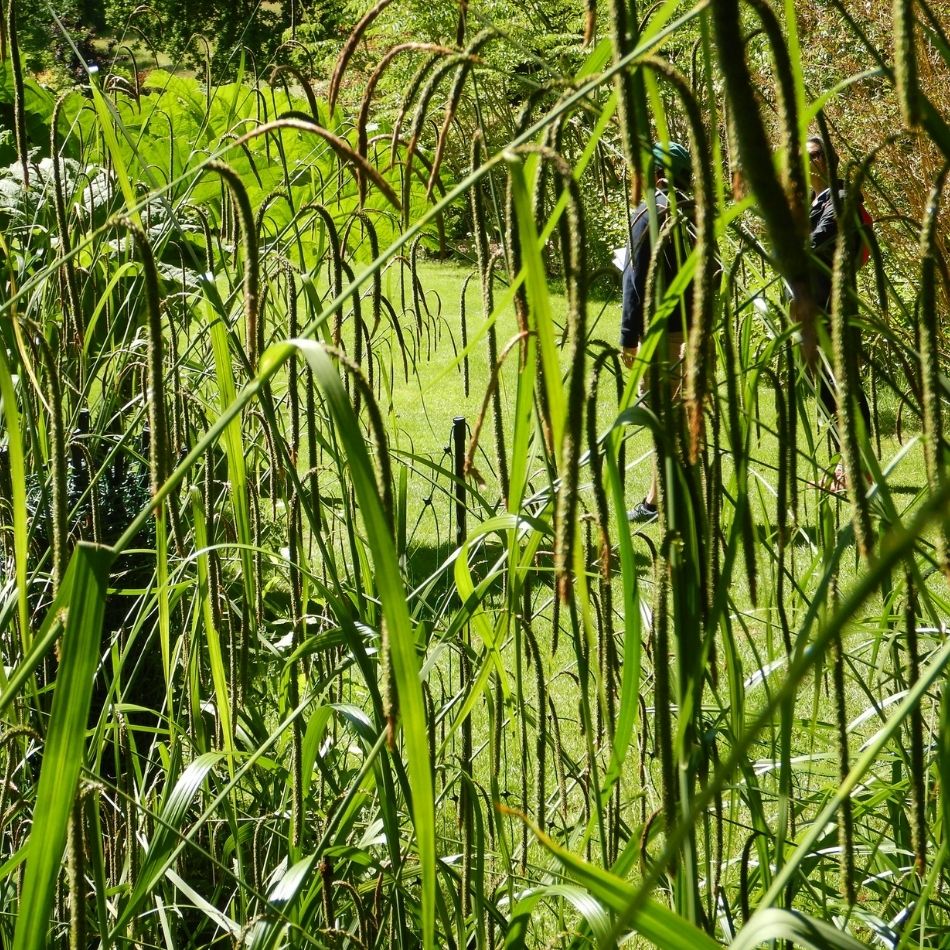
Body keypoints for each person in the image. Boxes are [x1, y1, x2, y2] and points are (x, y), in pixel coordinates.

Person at [620, 141, 695, 523]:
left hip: (663, 334)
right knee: (684, 417)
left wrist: (628, 337)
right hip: (695, 331)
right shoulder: (696, 214)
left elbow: (635, 279)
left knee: (663, 419)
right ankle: (680, 497)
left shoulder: (650, 212)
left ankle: (657, 503)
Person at [805, 135, 872, 491]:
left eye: (816, 155)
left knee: (843, 387)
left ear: (829, 160)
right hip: (816, 309)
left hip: (836, 308)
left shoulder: (841, 200)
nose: (810, 162)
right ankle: (843, 469)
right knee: (828, 391)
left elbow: (814, 244)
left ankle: (860, 469)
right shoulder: (815, 201)